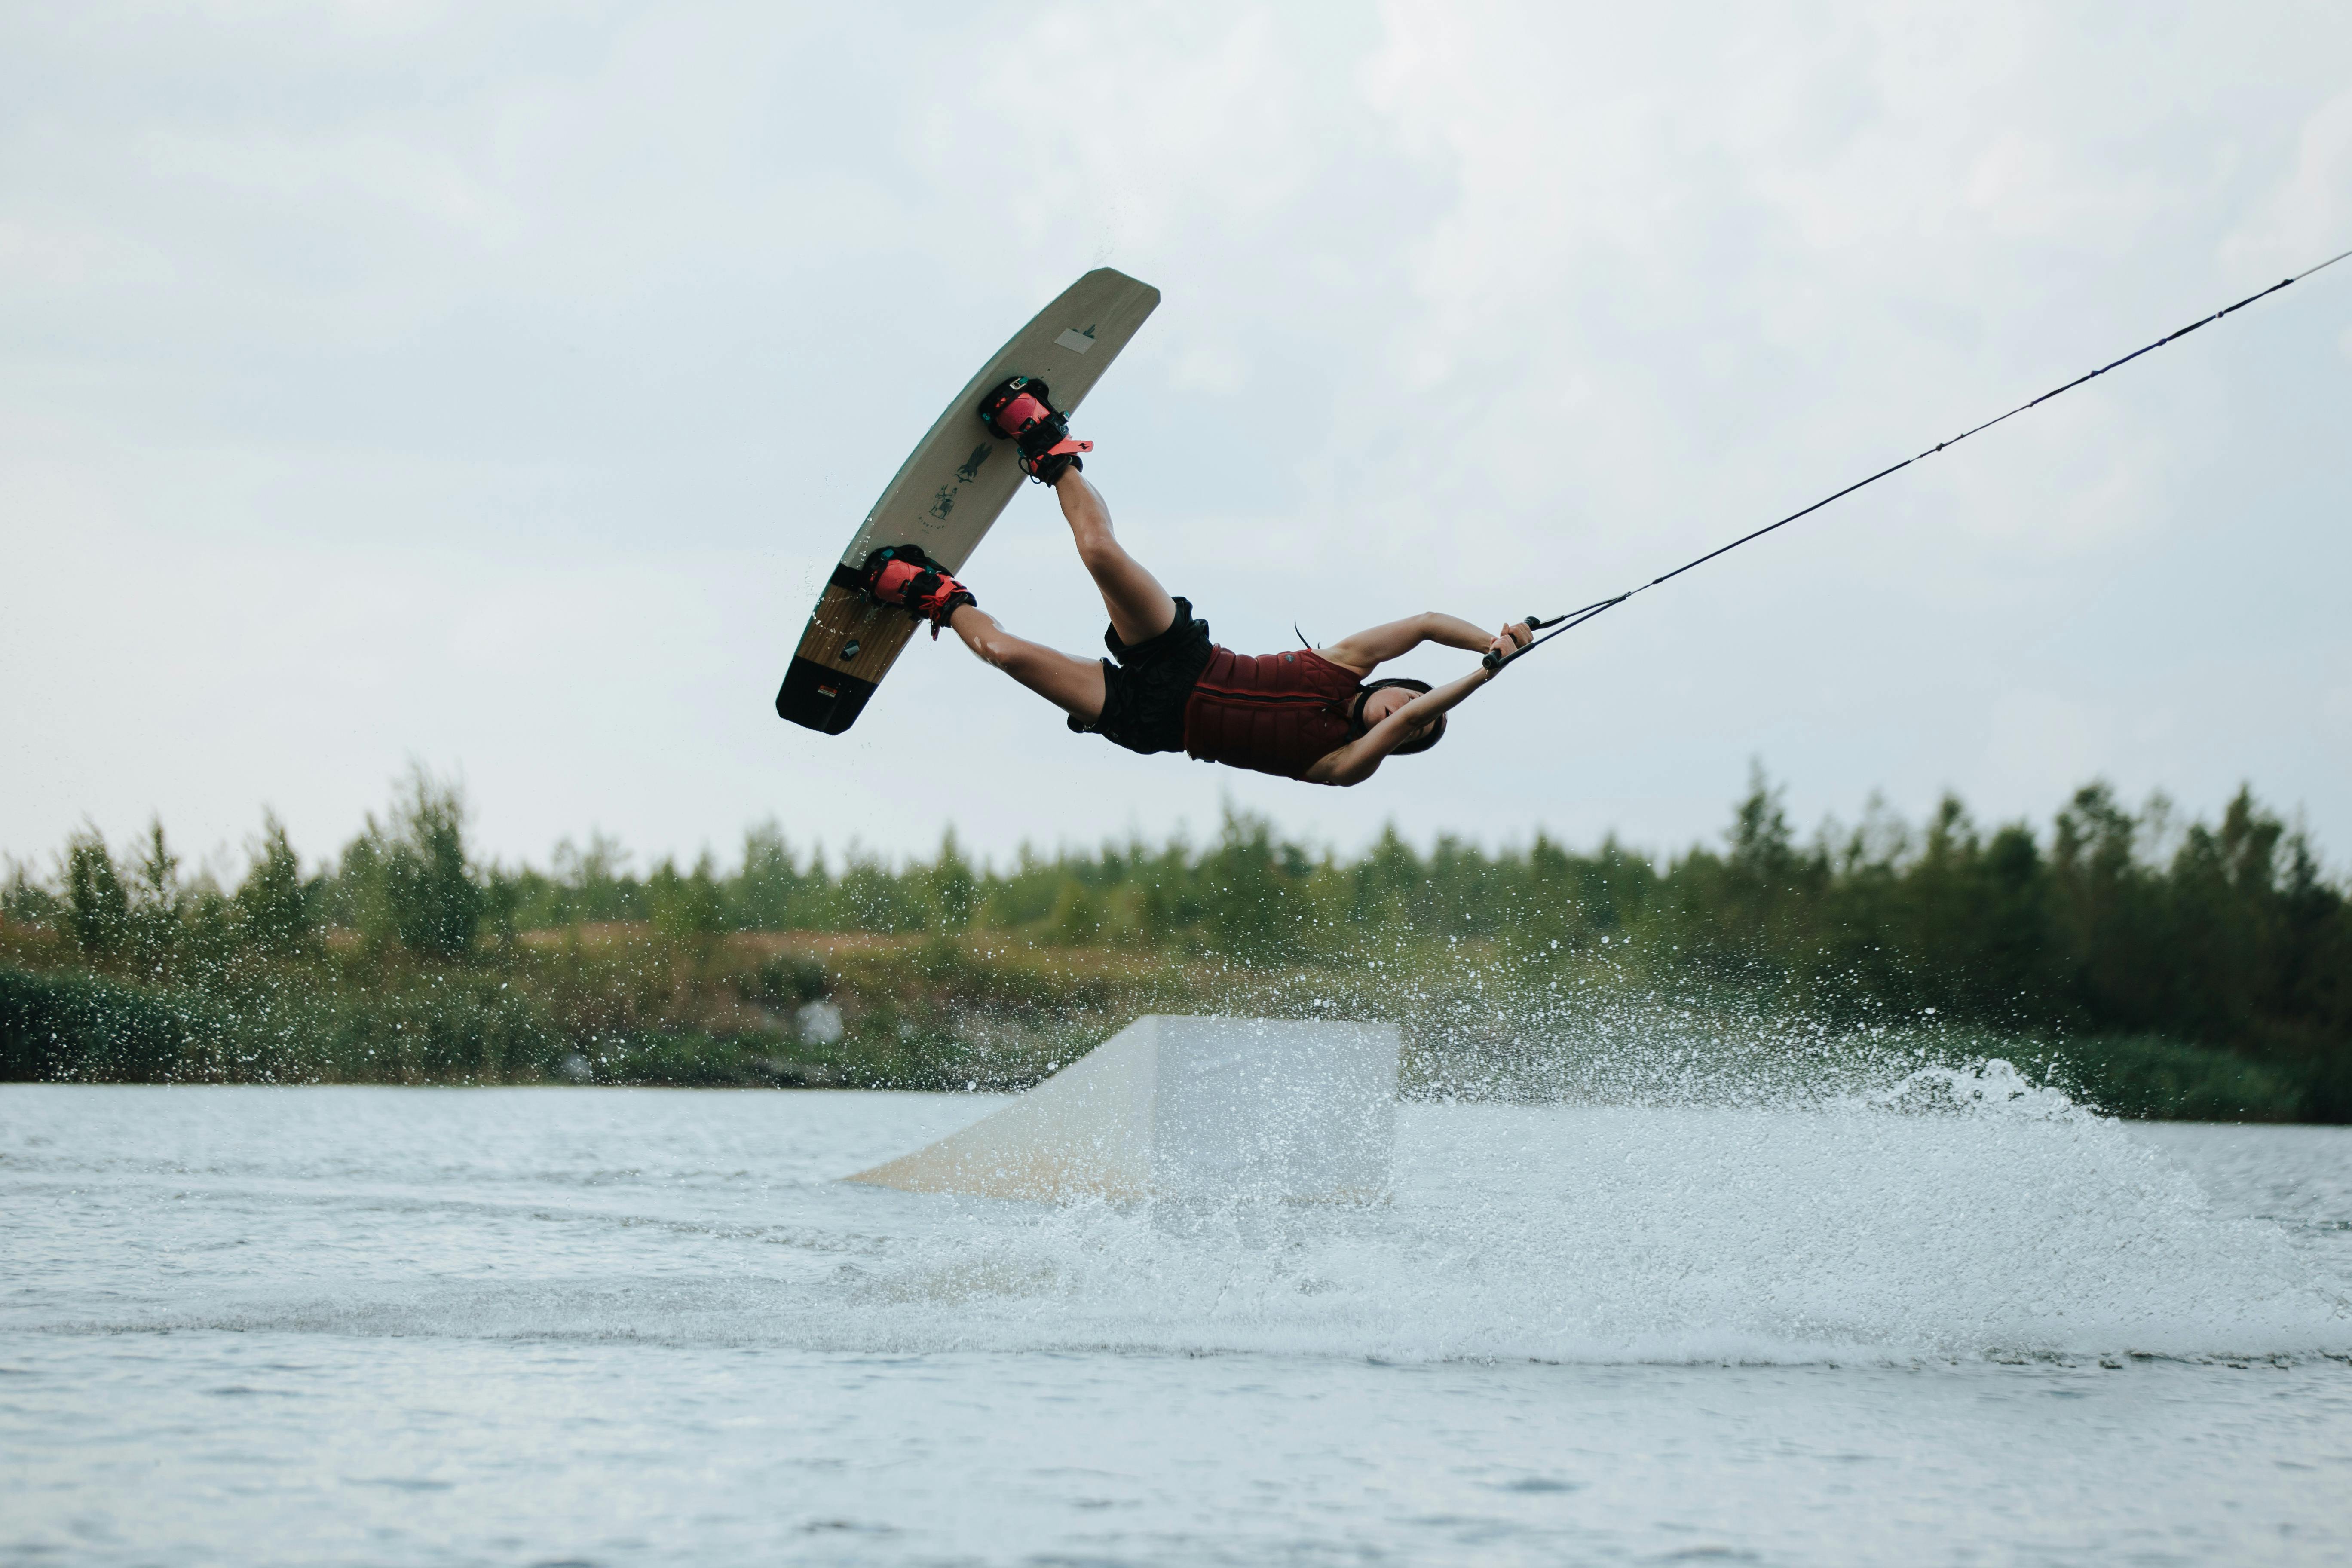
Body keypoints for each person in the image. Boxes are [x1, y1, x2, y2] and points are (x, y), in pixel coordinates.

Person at [858, 383, 1530, 787]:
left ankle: (934, 596)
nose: (1411, 722)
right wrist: (1489, 640)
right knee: (1099, 552)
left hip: (1149, 719)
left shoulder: (1344, 763)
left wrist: (1486, 676)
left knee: (1004, 653)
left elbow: (1414, 718)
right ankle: (1050, 448)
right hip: (1183, 656)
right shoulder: (1343, 664)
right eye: (1418, 709)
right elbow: (1424, 623)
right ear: (1398, 684)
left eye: (1418, 734)